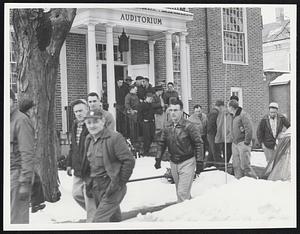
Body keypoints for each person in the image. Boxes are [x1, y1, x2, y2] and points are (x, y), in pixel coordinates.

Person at [82, 109, 135, 222]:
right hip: (96, 186)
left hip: (112, 185)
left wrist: (120, 183)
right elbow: (87, 164)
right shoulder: (88, 139)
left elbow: (129, 161)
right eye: (89, 122)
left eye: (95, 122)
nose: (92, 126)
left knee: (98, 221)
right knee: (113, 221)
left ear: (103, 121)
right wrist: (88, 182)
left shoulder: (115, 138)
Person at [154, 99, 204, 203]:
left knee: (182, 193)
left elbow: (199, 143)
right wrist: (158, 158)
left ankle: (181, 217)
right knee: (181, 193)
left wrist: (199, 161)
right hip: (174, 162)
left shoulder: (189, 126)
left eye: (176, 110)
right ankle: (191, 213)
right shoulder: (167, 126)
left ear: (181, 111)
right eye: (171, 110)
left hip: (187, 162)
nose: (173, 113)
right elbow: (162, 142)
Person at [66, 99, 97, 222]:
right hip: (78, 168)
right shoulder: (74, 125)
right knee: (76, 194)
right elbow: (73, 147)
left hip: (90, 168)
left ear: (87, 110)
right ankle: (100, 213)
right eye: (76, 112)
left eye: (81, 110)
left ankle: (94, 222)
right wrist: (69, 164)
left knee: (89, 198)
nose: (78, 113)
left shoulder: (92, 125)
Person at [10, 90, 35, 223]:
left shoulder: (21, 120)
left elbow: (27, 153)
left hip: (16, 175)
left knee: (16, 221)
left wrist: (25, 181)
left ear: (13, 101)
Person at [19, 99, 46, 213]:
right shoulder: (24, 120)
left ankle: (35, 203)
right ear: (28, 109)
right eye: (32, 108)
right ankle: (34, 203)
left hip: (22, 156)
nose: (34, 110)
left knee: (35, 180)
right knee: (34, 179)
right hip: (22, 157)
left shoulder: (23, 118)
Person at [227, 99, 257, 179]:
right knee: (236, 164)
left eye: (228, 107)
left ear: (232, 107)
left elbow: (249, 128)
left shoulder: (243, 115)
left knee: (245, 165)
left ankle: (253, 180)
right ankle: (239, 180)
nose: (228, 108)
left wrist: (247, 141)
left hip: (243, 143)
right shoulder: (231, 116)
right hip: (235, 143)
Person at [206, 100, 224, 167]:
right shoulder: (215, 113)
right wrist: (217, 132)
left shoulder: (213, 112)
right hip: (213, 134)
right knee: (216, 149)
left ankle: (209, 163)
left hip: (211, 134)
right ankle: (220, 165)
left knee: (211, 150)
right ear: (220, 106)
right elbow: (212, 124)